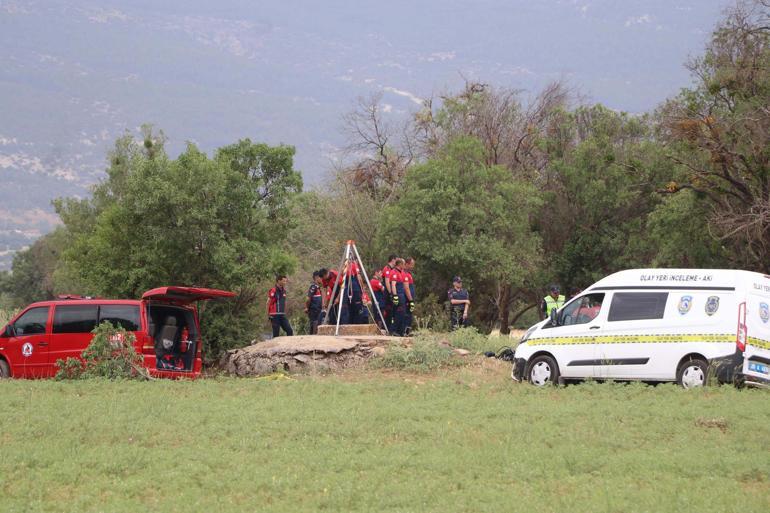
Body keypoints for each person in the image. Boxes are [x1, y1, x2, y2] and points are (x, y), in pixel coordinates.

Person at [381, 254, 397, 331]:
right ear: (393, 259)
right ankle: (386, 327)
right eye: (396, 260)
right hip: (387, 294)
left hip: (390, 293)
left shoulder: (392, 269)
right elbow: (387, 282)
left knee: (392, 311)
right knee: (388, 310)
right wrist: (391, 293)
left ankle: (390, 328)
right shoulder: (387, 268)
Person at [403, 257, 416, 335]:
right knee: (406, 315)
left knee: (410, 315)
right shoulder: (404, 274)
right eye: (411, 265)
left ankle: (408, 331)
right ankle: (405, 331)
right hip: (407, 299)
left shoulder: (409, 274)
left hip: (410, 298)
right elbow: (406, 288)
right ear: (407, 264)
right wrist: (410, 300)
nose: (412, 266)